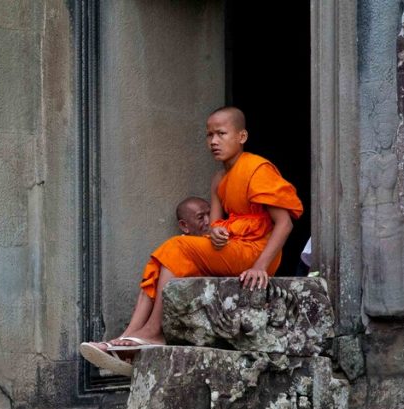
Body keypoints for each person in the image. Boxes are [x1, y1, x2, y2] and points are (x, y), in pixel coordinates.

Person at [81, 106, 304, 375]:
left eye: (221, 134)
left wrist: (260, 267)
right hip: (234, 248)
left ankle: (153, 331)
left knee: (177, 246)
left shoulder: (257, 169)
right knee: (163, 257)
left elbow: (284, 223)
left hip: (257, 253)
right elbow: (215, 226)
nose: (213, 141)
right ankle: (129, 334)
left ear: (242, 136)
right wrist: (216, 234)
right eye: (209, 135)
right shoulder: (219, 179)